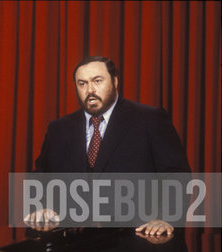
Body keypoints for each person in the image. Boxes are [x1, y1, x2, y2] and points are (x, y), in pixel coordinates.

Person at [30, 56, 191, 236]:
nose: (90, 90)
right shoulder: (59, 129)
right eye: (82, 84)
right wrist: (40, 208)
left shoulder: (150, 119)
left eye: (97, 81)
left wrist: (166, 218)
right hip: (75, 247)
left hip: (140, 240)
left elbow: (178, 176)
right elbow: (41, 177)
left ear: (115, 82)